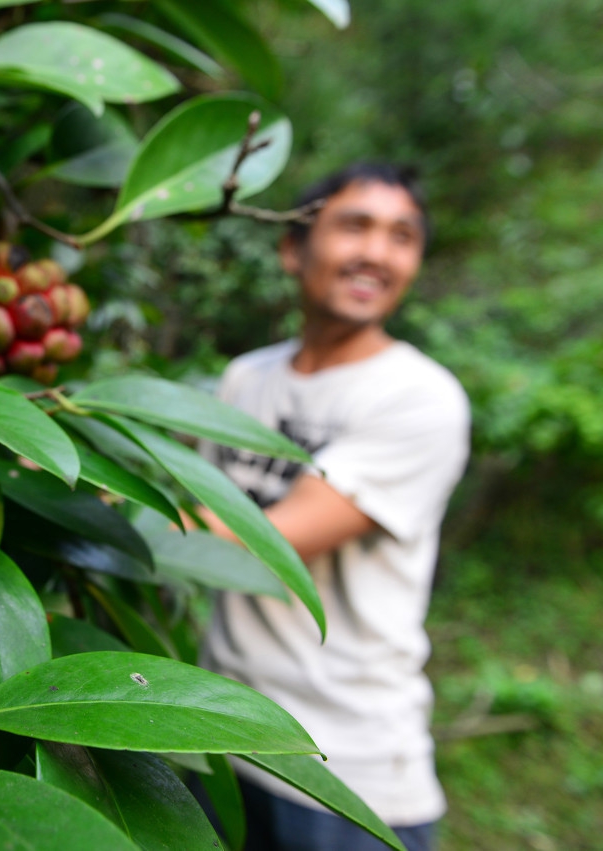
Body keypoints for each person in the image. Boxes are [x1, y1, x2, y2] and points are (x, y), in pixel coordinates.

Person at [194, 163, 471, 851]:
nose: (377, 251)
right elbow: (199, 506)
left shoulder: (419, 397)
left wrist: (72, 487)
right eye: (355, 225)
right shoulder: (245, 377)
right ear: (293, 247)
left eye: (401, 235)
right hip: (217, 732)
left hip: (345, 766)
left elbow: (261, 544)